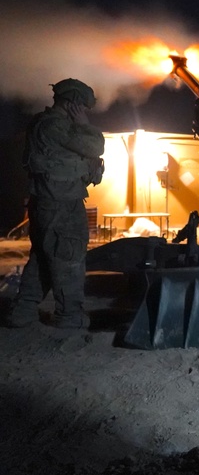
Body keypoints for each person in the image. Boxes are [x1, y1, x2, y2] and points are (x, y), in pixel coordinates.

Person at [2, 78, 105, 329]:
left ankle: (23, 311)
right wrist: (84, 124)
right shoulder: (55, 126)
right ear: (73, 104)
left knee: (44, 257)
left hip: (49, 202)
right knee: (68, 255)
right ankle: (70, 315)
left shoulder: (44, 123)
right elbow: (95, 146)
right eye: (83, 108)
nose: (84, 113)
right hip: (61, 204)